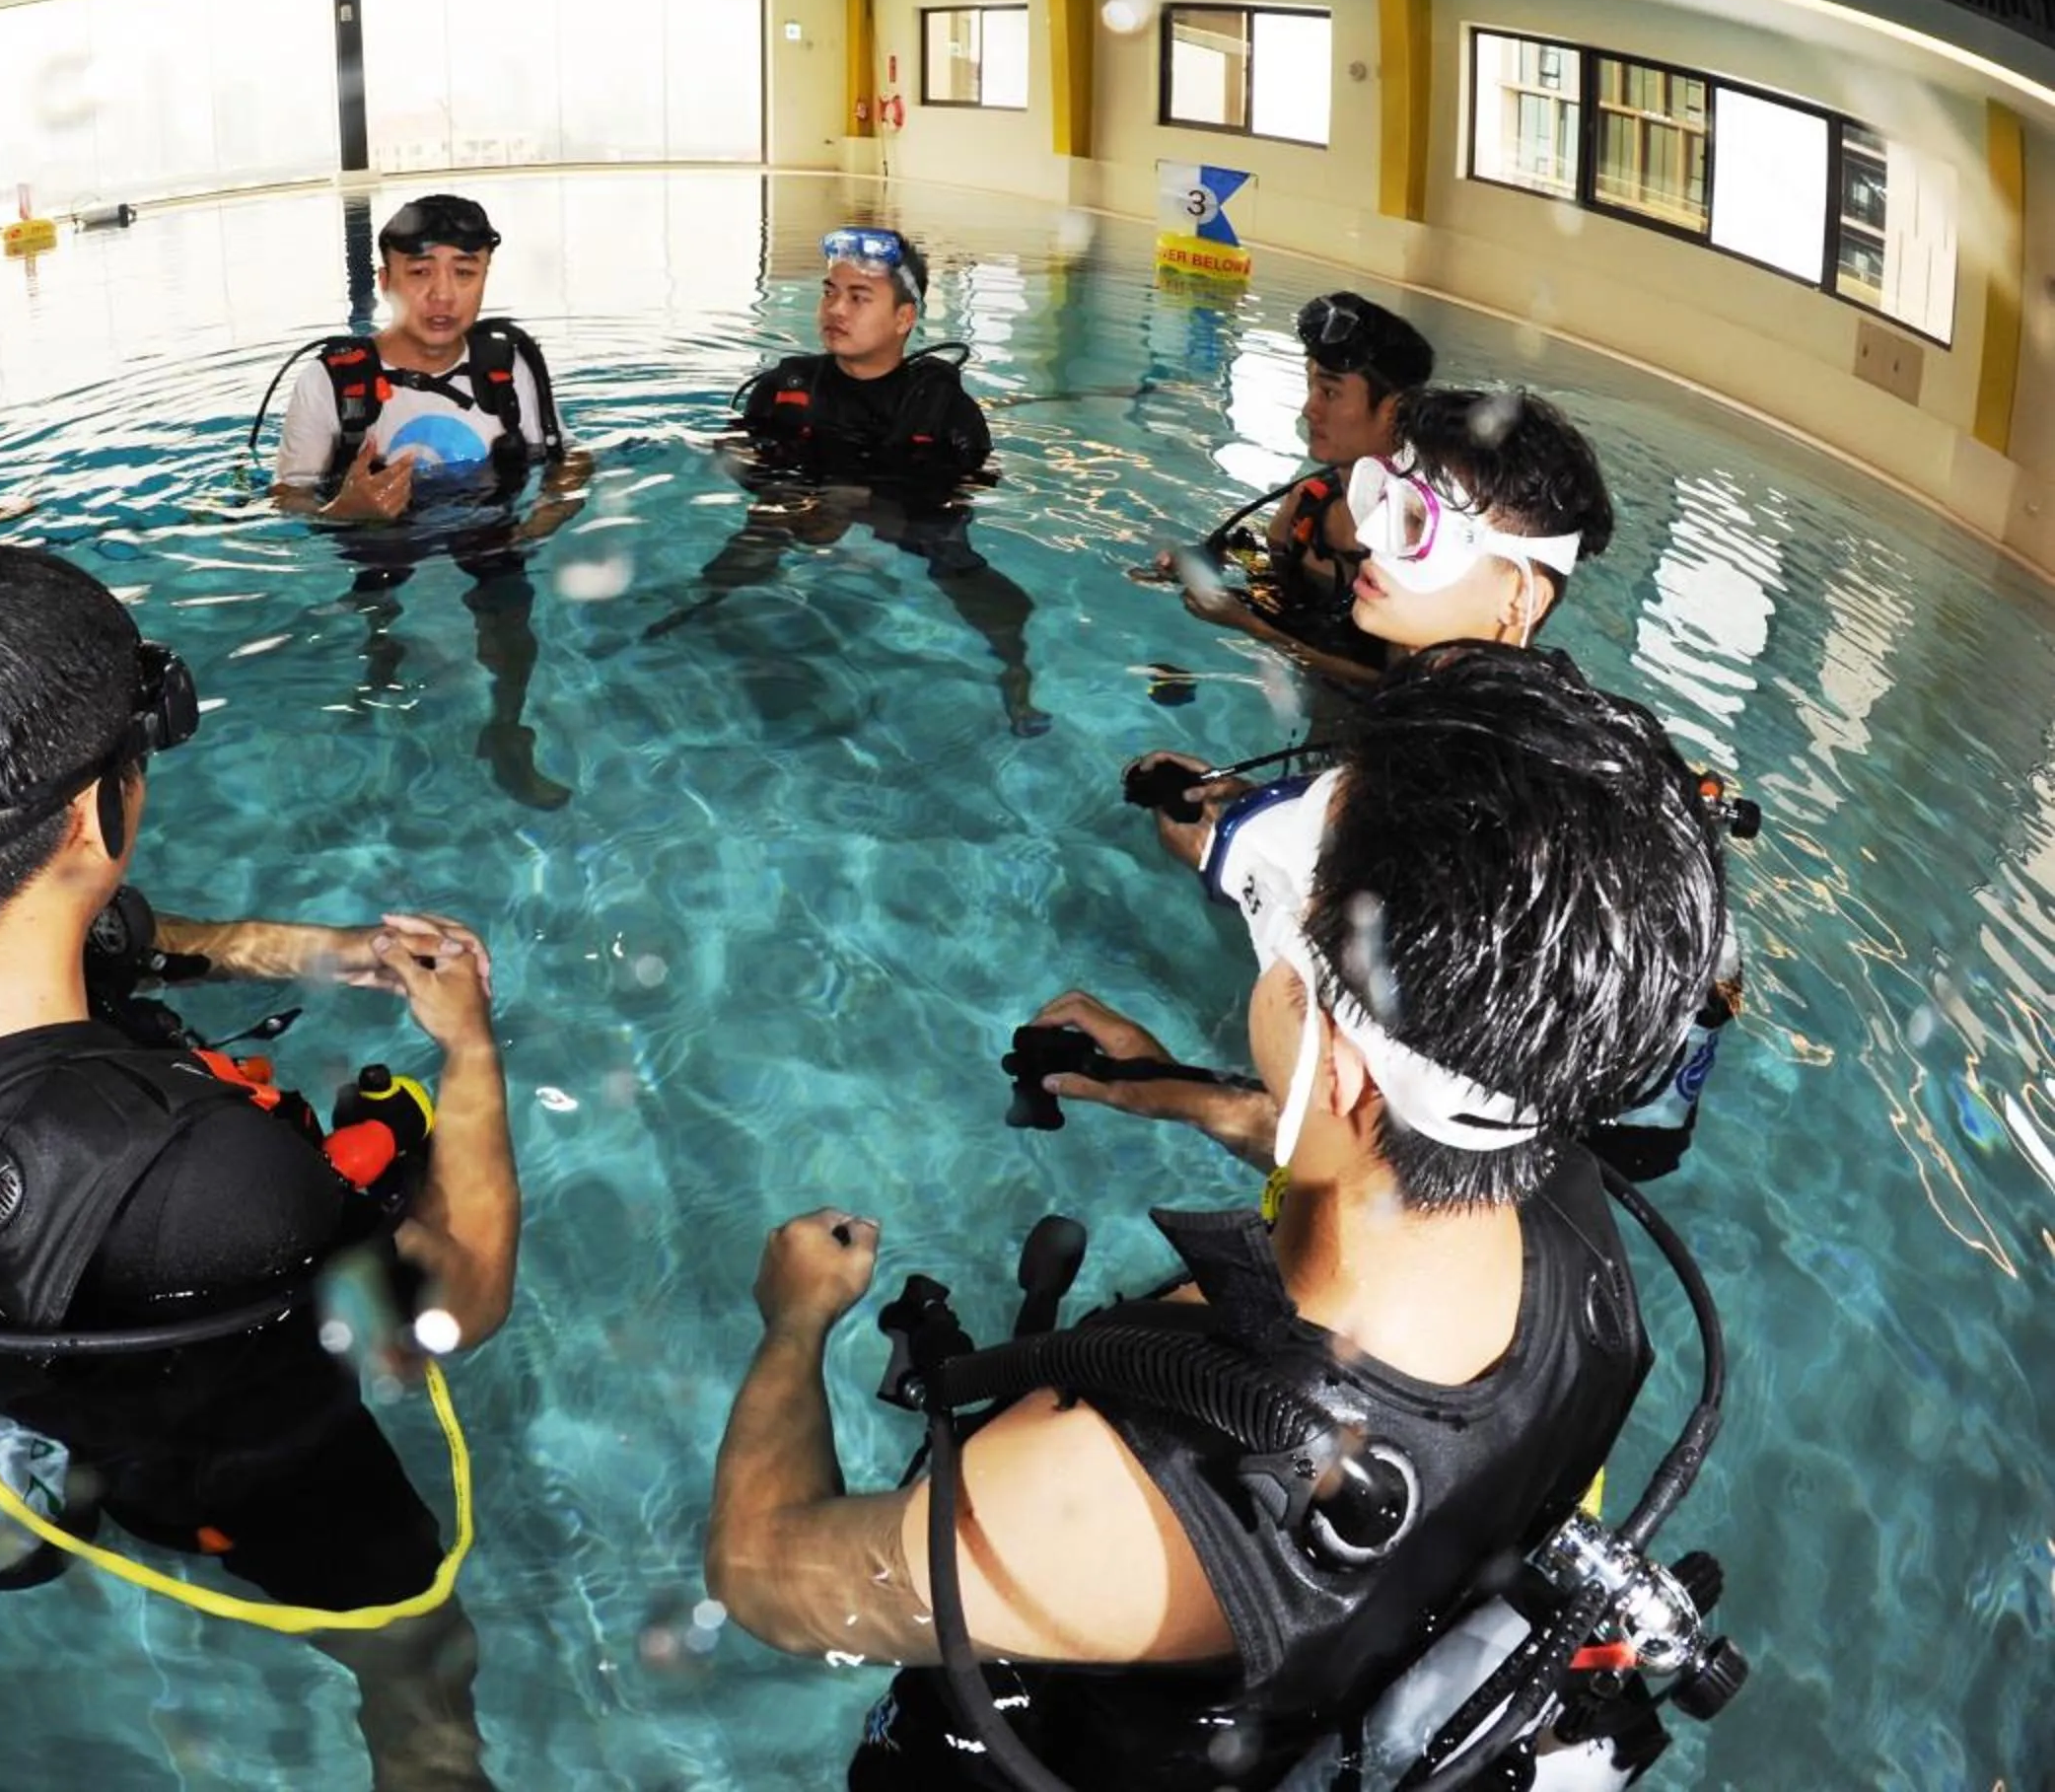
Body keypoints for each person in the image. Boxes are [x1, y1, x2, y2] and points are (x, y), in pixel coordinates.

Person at [704, 644, 1728, 1789]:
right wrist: (1165, 1086)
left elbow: (763, 1576)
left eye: (1273, 943)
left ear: (1337, 1070)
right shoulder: (1567, 1203)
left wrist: (792, 1326)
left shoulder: (1110, 1506)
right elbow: (1382, 1145)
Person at [0, 544, 519, 1790]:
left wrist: (310, 953)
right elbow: (458, 1303)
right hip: (262, 1464)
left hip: (74, 1403)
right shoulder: (211, 1187)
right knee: (421, 1655)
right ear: (87, 814)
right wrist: (471, 1054)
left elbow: (108, 931)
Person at [647, 227, 1048, 736]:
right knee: (756, 533)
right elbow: (734, 450)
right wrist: (781, 493)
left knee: (957, 563)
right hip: (801, 507)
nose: (835, 310)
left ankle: (1016, 672)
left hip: (899, 522)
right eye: (830, 292)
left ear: (905, 318)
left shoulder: (944, 409)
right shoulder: (786, 385)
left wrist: (870, 506)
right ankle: (693, 614)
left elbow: (973, 485)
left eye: (859, 298)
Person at [266, 192, 586, 811]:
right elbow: (286, 498)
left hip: (490, 524)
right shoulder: (332, 381)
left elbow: (567, 456)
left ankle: (507, 729)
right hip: (377, 532)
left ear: (484, 277)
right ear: (386, 281)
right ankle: (376, 695)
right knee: (379, 618)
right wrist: (345, 510)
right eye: (420, 273)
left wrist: (546, 518)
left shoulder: (508, 363)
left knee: (511, 619)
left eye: (464, 272)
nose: (443, 294)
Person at [1158, 292, 1436, 683]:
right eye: (1310, 387)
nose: (1309, 408)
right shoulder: (1308, 502)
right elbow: (1270, 576)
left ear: (1394, 410)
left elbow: (1402, 686)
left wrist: (1254, 628)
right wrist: (1210, 559)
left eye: (1330, 392)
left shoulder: (1423, 540)